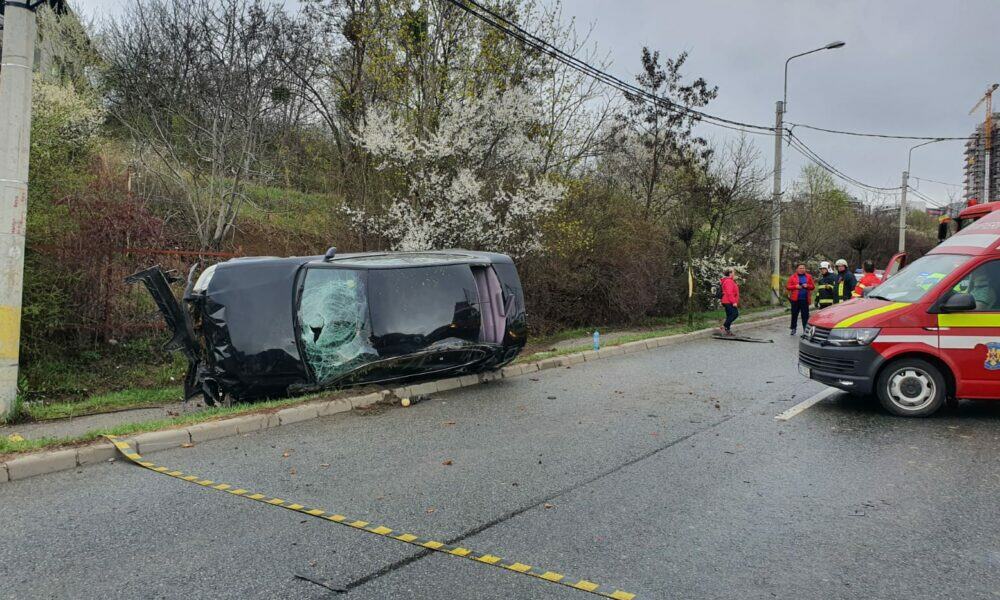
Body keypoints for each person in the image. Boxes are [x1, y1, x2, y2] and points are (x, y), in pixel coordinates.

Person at [786, 263, 815, 335]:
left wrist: (807, 285)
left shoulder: (809, 276)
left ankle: (805, 329)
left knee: (805, 315)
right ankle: (793, 328)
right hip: (795, 299)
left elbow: (813, 287)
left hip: (805, 299)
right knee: (794, 314)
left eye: (803, 268)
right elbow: (788, 287)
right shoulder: (793, 277)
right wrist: (795, 287)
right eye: (800, 268)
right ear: (797, 269)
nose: (802, 269)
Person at [719, 267, 740, 335]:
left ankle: (727, 331)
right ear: (730, 273)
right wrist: (734, 302)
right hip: (728, 301)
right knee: (735, 314)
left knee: (729, 316)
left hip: (727, 301)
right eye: (733, 272)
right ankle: (724, 327)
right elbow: (729, 293)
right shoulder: (728, 281)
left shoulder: (729, 280)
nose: (734, 273)